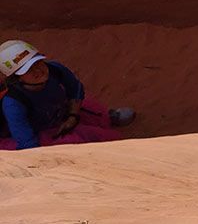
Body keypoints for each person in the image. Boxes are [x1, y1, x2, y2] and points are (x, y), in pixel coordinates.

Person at [0, 39, 134, 150]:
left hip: (62, 112)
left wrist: (73, 116)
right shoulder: (13, 104)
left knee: (89, 117)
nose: (38, 70)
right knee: (80, 142)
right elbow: (27, 142)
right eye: (28, 69)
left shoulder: (55, 70)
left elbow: (75, 88)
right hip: (41, 131)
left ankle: (104, 117)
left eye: (38, 62)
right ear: (17, 78)